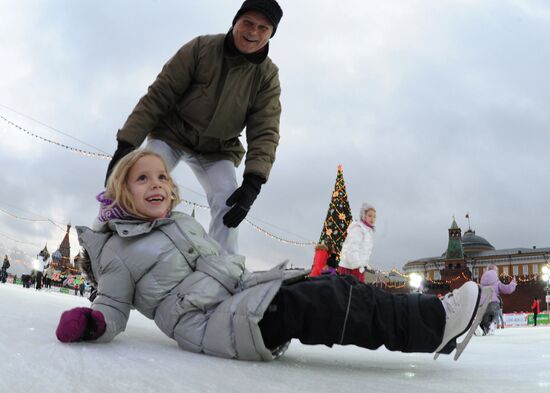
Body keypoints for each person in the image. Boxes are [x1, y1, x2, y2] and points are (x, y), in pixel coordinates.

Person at [55, 150, 492, 362]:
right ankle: (433, 328)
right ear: (119, 190)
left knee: (335, 284)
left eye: (162, 177)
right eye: (141, 179)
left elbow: (221, 266)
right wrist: (91, 323)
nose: (157, 184)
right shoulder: (116, 248)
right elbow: (112, 305)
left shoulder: (180, 223)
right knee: (323, 302)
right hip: (213, 323)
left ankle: (438, 318)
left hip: (242, 296)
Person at [103, 0, 284, 255]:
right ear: (236, 21)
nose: (253, 32)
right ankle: (115, 252)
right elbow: (160, 94)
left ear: (271, 34)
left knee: (228, 202)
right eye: (248, 23)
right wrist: (127, 144)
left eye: (263, 28)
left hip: (218, 149)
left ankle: (221, 271)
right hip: (173, 134)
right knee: (143, 181)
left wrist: (253, 182)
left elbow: (265, 128)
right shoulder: (201, 48)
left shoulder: (267, 76)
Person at [338, 203, 376, 281]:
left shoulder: (367, 231)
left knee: (359, 291)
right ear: (363, 216)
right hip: (350, 268)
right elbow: (352, 248)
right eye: (370, 216)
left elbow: (363, 251)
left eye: (374, 216)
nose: (372, 218)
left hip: (358, 268)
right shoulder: (358, 229)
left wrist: (365, 264)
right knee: (351, 292)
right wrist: (357, 265)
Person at [479, 264, 516, 335]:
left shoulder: (481, 284)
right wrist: (513, 283)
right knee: (495, 313)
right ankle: (493, 323)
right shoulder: (497, 283)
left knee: (484, 318)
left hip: (482, 305)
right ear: (495, 271)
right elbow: (507, 289)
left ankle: (485, 327)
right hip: (493, 303)